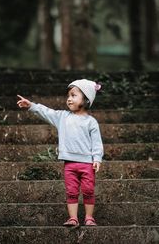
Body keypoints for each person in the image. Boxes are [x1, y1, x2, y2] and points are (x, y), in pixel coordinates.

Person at [17, 79, 104, 227]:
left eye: (73, 95)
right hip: (69, 163)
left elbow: (97, 142)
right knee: (71, 191)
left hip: (87, 164)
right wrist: (31, 105)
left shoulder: (91, 122)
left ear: (86, 100)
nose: (69, 99)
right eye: (68, 96)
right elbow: (46, 112)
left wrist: (97, 158)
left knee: (88, 190)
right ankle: (73, 218)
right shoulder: (62, 117)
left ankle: (89, 218)